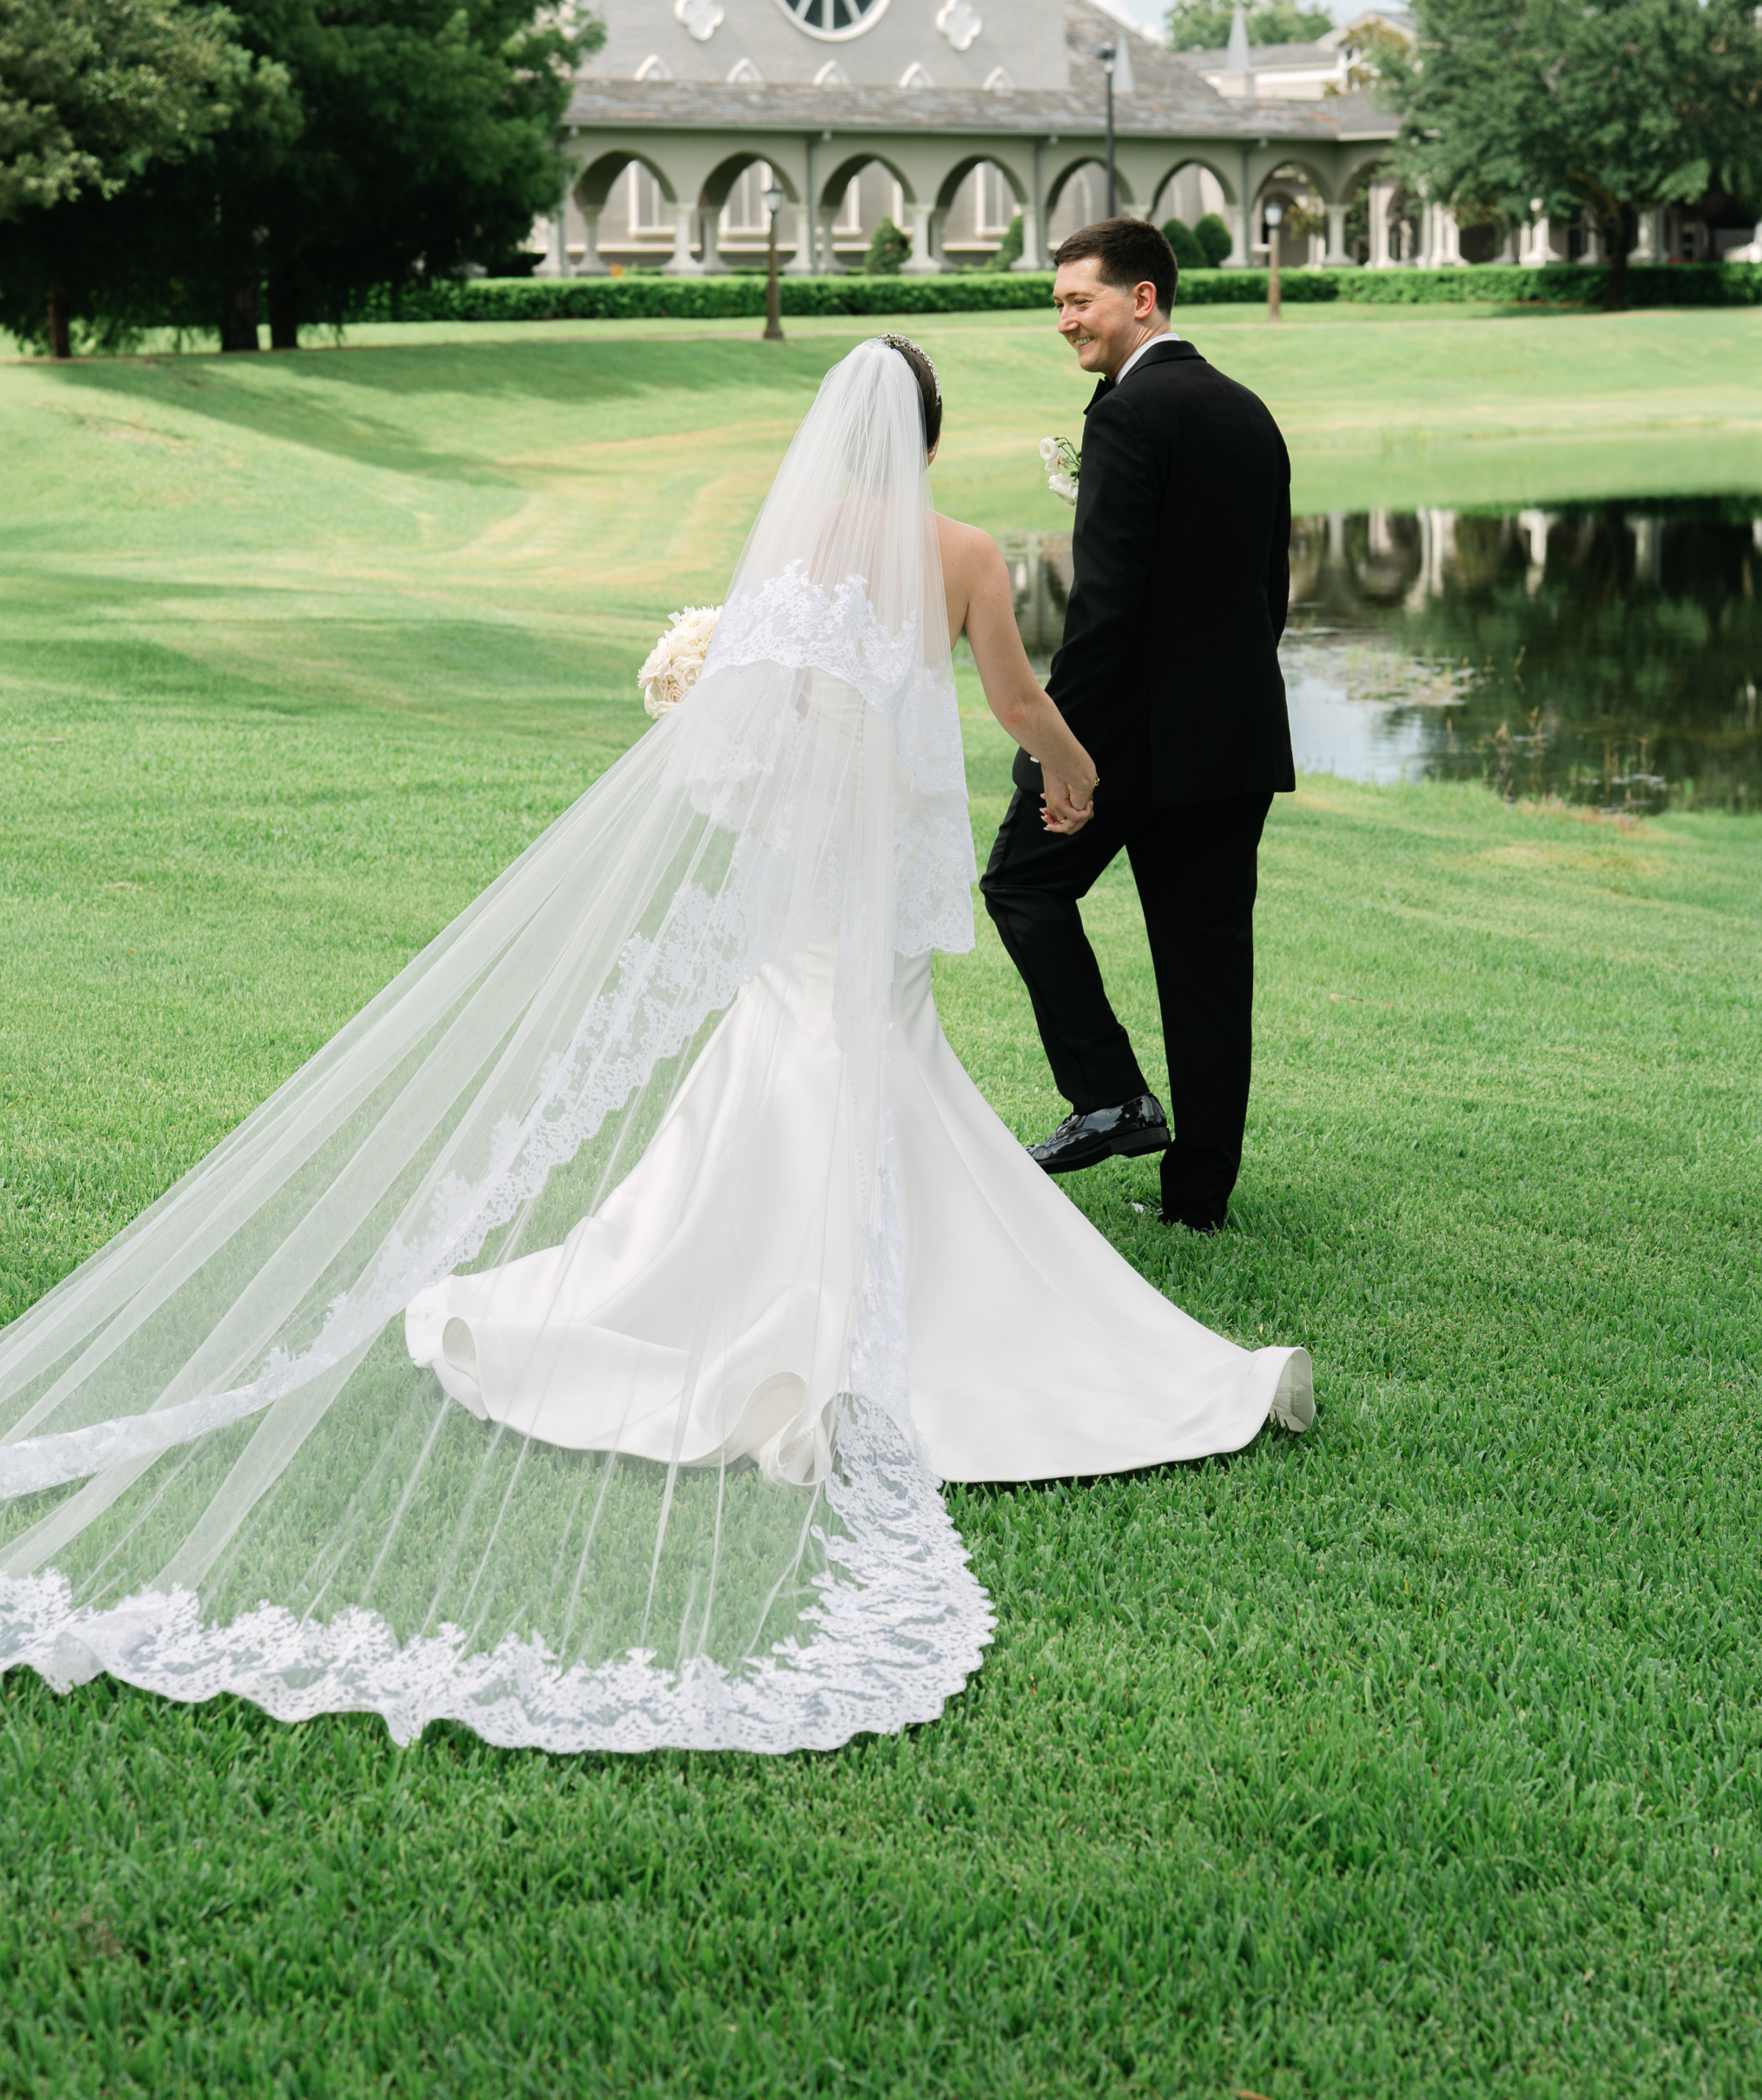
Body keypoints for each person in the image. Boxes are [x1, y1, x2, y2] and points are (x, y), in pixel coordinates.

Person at [0, 337, 1309, 1759]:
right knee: (867, 1051)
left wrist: (700, 691)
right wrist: (1070, 766)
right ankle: (869, 1305)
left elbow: (753, 693)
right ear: (928, 439)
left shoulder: (798, 532)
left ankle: (714, 1284)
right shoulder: (964, 550)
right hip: (882, 856)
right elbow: (1005, 698)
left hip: (806, 847)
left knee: (789, 1047)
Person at [981, 220, 1296, 1232]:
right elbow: (1268, 595)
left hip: (1129, 746)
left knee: (1020, 880)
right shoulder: (1249, 413)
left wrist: (1055, 760)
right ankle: (1199, 1198)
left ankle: (1110, 1096)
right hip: (1234, 742)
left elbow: (1102, 615)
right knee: (1210, 968)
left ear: (1144, 299)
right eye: (1060, 303)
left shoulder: (1127, 418)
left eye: (1082, 300)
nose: (1066, 320)